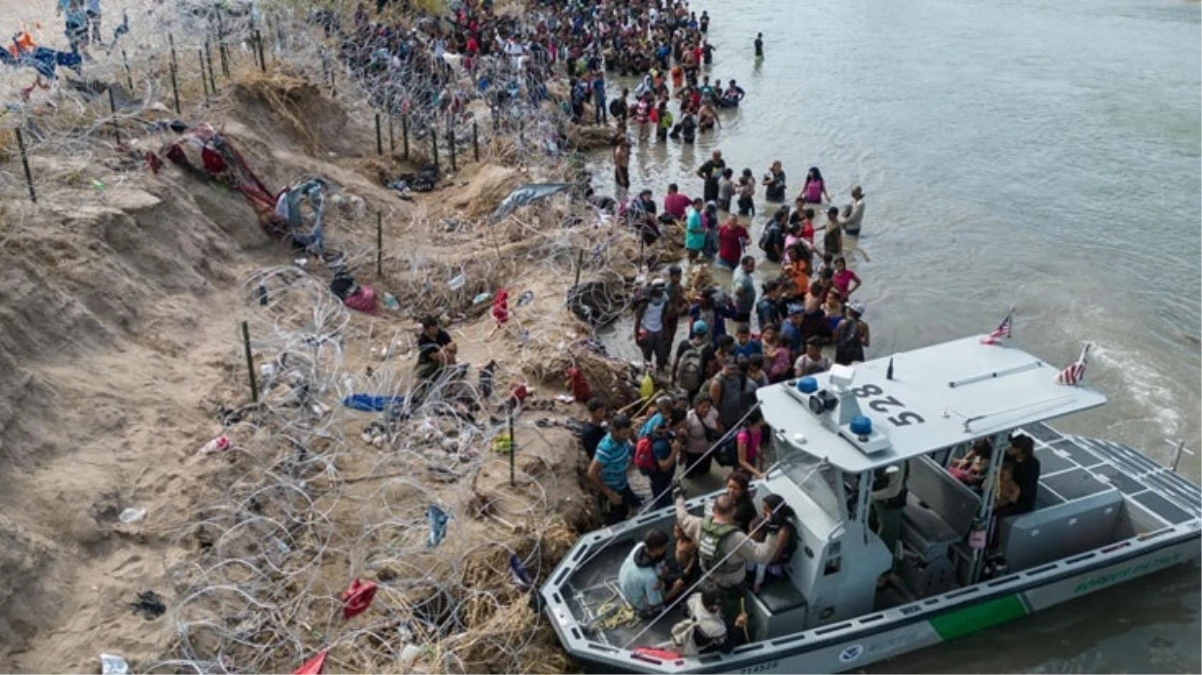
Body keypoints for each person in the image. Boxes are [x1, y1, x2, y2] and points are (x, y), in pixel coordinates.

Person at [674, 488, 779, 619]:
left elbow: (681, 516)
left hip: (706, 579)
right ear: (733, 511)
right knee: (730, 617)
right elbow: (764, 556)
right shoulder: (736, 538)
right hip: (730, 589)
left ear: (713, 510)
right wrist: (773, 532)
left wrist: (679, 498)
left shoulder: (698, 525)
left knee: (706, 608)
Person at [663, 586, 746, 656]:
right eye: (718, 605)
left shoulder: (695, 598)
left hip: (691, 630)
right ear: (711, 606)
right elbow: (726, 649)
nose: (720, 606)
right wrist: (737, 626)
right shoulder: (717, 628)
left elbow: (684, 611)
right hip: (697, 647)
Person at [590, 414, 641, 525]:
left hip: (623, 484)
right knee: (615, 522)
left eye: (628, 433)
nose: (627, 437)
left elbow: (631, 437)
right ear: (613, 432)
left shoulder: (623, 439)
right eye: (623, 434)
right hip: (611, 491)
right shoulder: (606, 449)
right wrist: (609, 493)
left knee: (632, 508)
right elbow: (591, 473)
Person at [618, 530, 675, 618]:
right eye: (664, 546)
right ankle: (645, 611)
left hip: (625, 585)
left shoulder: (640, 546)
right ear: (658, 549)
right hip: (636, 601)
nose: (666, 548)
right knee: (671, 590)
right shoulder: (651, 577)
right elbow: (654, 603)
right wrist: (662, 580)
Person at [751, 494, 798, 592]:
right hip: (765, 549)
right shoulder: (770, 522)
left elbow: (776, 554)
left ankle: (758, 584)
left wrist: (760, 558)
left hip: (772, 560)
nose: (763, 512)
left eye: (766, 510)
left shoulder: (783, 531)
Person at [647, 409, 687, 510]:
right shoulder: (660, 444)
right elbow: (663, 466)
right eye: (683, 422)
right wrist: (675, 452)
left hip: (667, 476)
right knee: (663, 503)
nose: (686, 424)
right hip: (659, 479)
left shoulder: (670, 434)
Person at [995, 434, 1041, 517]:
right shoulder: (1011, 456)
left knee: (996, 514)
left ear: (1020, 449)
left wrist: (1012, 492)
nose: (1009, 448)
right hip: (1006, 490)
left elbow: (1027, 489)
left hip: (1021, 500)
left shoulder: (1032, 464)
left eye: (1012, 447)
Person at [871, 461, 909, 556]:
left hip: (886, 502)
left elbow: (893, 490)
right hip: (881, 500)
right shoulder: (896, 461)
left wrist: (870, 496)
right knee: (881, 534)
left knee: (884, 537)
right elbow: (893, 490)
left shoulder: (897, 462)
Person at [709, 356, 757, 432]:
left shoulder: (738, 376)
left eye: (735, 368)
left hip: (738, 416)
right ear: (723, 366)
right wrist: (718, 423)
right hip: (724, 420)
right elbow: (713, 406)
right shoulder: (717, 383)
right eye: (730, 369)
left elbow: (741, 393)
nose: (733, 371)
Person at [634, 279, 672, 371]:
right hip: (647, 331)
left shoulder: (664, 299)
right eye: (660, 290)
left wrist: (666, 332)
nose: (662, 292)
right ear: (654, 290)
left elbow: (664, 316)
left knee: (661, 356)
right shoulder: (645, 301)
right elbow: (638, 320)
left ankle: (660, 374)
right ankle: (648, 376)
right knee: (647, 358)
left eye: (663, 290)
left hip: (659, 330)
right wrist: (636, 336)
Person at [682, 393, 722, 478]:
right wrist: (683, 451)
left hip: (707, 447)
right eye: (703, 406)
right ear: (696, 406)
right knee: (690, 472)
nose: (706, 409)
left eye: (708, 406)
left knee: (704, 471)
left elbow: (719, 424)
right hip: (692, 448)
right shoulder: (690, 417)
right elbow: (684, 433)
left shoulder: (713, 412)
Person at [674, 321, 710, 400]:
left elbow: (675, 363)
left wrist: (673, 378)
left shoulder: (683, 344)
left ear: (693, 331)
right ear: (706, 332)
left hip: (683, 380)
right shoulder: (708, 349)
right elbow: (710, 370)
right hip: (699, 382)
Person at [415, 316, 456, 381]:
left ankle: (452, 374)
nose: (436, 330)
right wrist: (445, 349)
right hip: (428, 363)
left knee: (449, 353)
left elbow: (454, 347)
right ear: (426, 330)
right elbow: (434, 357)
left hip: (442, 360)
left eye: (436, 327)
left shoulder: (441, 333)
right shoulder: (422, 341)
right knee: (444, 355)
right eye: (433, 329)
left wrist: (447, 348)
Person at [834, 301, 869, 365]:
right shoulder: (863, 325)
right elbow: (866, 343)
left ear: (851, 311)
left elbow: (835, 339)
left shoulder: (841, 323)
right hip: (856, 355)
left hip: (842, 354)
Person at [736, 409, 767, 479]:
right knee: (742, 481)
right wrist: (758, 474)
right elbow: (741, 461)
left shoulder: (758, 430)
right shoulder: (743, 436)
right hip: (742, 465)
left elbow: (756, 444)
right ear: (759, 420)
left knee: (749, 476)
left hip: (751, 459)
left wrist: (760, 456)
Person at [731, 256, 757, 323]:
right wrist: (745, 298)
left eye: (754, 265)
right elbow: (738, 290)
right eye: (751, 266)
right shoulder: (742, 278)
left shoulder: (739, 268)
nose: (753, 268)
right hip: (742, 309)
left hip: (739, 305)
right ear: (744, 265)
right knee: (743, 325)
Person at [684, 198, 706, 262]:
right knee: (691, 259)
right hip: (693, 242)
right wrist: (701, 231)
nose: (700, 207)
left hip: (697, 241)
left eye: (701, 205)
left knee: (695, 258)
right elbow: (690, 229)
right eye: (698, 205)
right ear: (694, 205)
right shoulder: (693, 215)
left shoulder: (698, 213)